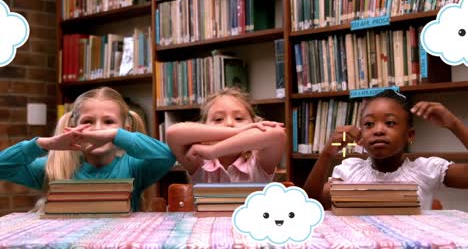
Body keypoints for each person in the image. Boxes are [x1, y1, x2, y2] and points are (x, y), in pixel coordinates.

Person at [0, 87, 175, 212]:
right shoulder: (54, 168)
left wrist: (115, 135)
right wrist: (43, 144)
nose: (97, 128)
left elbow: (167, 155)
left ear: (125, 130)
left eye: (108, 122)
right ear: (72, 127)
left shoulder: (134, 167)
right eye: (87, 122)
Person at [304, 89, 468, 210]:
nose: (378, 130)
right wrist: (326, 153)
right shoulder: (350, 170)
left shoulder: (425, 170)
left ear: (409, 135)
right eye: (369, 124)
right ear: (360, 135)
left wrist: (454, 124)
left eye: (390, 123)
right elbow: (311, 204)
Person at [166, 87, 286, 183]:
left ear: (254, 123)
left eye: (239, 118)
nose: (229, 123)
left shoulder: (258, 163)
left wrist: (214, 151)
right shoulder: (200, 163)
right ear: (203, 128)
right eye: (218, 119)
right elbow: (172, 133)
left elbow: (277, 134)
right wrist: (238, 131)